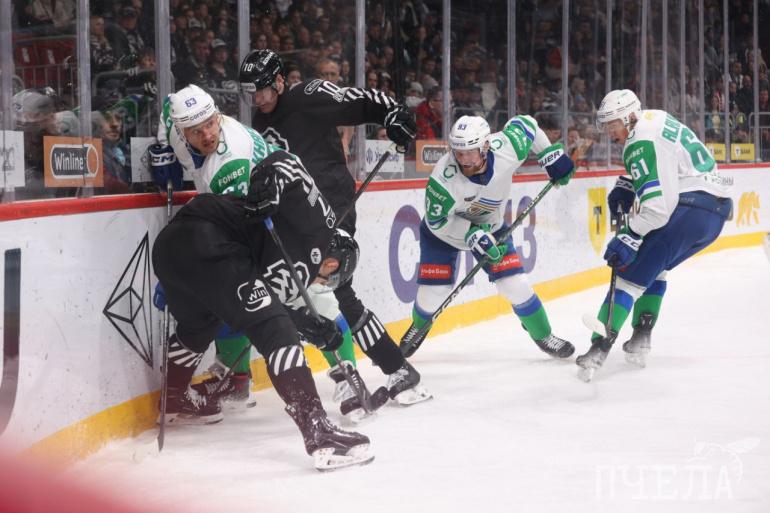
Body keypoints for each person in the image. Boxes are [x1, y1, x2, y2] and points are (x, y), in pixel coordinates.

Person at [152, 146, 374, 472]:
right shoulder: (321, 223)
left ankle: (173, 397)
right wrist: (267, 183)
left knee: (199, 326)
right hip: (208, 238)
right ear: (333, 262)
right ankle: (319, 432)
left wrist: (308, 325)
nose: (324, 282)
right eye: (332, 277)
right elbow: (285, 162)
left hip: (171, 251)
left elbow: (264, 306)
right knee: (277, 333)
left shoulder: (294, 273)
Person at [238, 49, 431, 418]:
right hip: (298, 216)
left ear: (279, 80)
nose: (257, 98)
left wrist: (392, 112)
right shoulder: (260, 120)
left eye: (262, 89)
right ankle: (397, 369)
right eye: (251, 92)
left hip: (332, 208)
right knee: (339, 294)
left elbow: (355, 100)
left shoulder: (305, 96)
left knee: (320, 289)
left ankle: (349, 376)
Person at [576, 89, 733, 380]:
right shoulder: (655, 117)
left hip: (689, 209)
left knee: (627, 274)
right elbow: (667, 159)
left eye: (614, 124)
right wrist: (630, 181)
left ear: (630, 117)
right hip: (714, 213)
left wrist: (629, 235)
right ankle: (641, 337)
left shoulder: (638, 141)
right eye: (606, 125)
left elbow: (659, 209)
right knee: (653, 267)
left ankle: (598, 349)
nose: (610, 132)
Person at [402, 115, 576, 359]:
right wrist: (471, 234)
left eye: (470, 152)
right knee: (434, 294)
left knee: (515, 285)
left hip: (491, 227)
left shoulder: (506, 148)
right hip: (444, 235)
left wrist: (550, 155)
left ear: (485, 146)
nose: (464, 160)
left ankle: (544, 335)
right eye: (458, 152)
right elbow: (437, 222)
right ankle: (418, 326)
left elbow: (527, 124)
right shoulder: (442, 180)